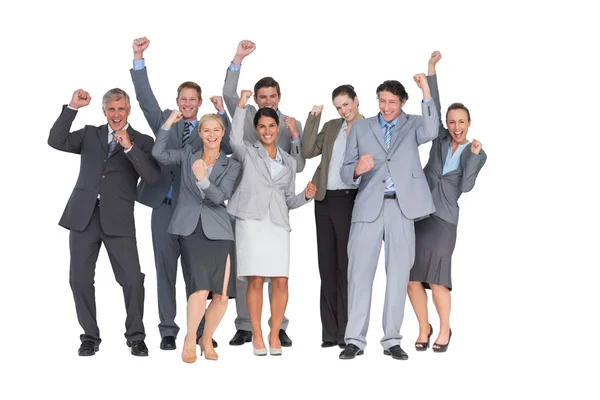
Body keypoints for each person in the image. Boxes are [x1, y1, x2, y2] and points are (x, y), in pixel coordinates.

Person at [130, 36, 231, 350]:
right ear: (177, 101)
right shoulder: (165, 120)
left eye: (192, 100)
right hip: (164, 205)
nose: (187, 104)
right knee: (165, 270)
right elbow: (145, 97)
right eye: (183, 99)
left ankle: (200, 330)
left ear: (199, 103)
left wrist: (222, 113)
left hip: (195, 211)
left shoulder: (209, 129)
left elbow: (229, 146)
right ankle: (168, 331)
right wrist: (138, 59)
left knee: (196, 273)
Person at [48, 88, 160, 357]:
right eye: (111, 109)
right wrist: (72, 107)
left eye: (121, 109)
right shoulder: (89, 134)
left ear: (129, 111)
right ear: (104, 111)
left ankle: (135, 337)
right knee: (80, 279)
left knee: (133, 279)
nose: (116, 114)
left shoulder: (142, 141)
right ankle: (89, 337)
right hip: (83, 216)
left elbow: (152, 176)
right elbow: (55, 140)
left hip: (118, 218)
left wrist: (129, 148)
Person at [338, 74, 438, 361]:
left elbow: (432, 128)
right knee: (358, 276)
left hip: (402, 209)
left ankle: (392, 340)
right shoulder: (361, 128)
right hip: (368, 208)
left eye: (392, 102)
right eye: (382, 101)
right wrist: (357, 168)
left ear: (403, 103)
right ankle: (354, 340)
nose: (385, 107)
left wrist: (426, 90)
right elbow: (346, 172)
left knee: (398, 276)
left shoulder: (414, 125)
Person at [223, 40, 303, 347]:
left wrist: (295, 137)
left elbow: (299, 163)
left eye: (272, 96)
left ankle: (277, 326)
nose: (267, 99)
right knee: (248, 270)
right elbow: (231, 96)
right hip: (248, 203)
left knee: (277, 272)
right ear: (256, 99)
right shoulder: (250, 120)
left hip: (277, 205)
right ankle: (245, 325)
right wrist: (238, 59)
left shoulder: (287, 124)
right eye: (262, 96)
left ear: (279, 97)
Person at [407, 51, 487, 353]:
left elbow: (465, 186)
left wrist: (475, 156)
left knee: (438, 279)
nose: (455, 126)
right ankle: (422, 328)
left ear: (468, 123)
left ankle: (443, 330)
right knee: (411, 277)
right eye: (452, 122)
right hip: (420, 214)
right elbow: (435, 105)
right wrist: (430, 71)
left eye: (461, 122)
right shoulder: (440, 139)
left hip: (444, 221)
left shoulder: (475, 152)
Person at [228, 90, 316, 356]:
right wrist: (241, 106)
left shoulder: (288, 161)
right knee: (254, 279)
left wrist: (305, 196)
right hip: (251, 222)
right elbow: (233, 138)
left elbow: (289, 199)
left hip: (277, 223)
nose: (267, 131)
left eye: (271, 126)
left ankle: (274, 334)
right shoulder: (247, 152)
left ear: (278, 129)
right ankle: (256, 334)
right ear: (256, 130)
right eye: (262, 127)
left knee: (281, 280)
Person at [152, 110, 241, 362]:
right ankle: (190, 339)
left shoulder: (231, 164)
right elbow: (158, 153)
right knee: (200, 289)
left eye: (216, 130)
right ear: (200, 133)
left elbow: (219, 196)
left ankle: (206, 338)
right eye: (206, 130)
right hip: (191, 228)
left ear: (223, 133)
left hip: (220, 231)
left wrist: (203, 179)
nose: (211, 135)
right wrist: (169, 122)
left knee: (222, 297)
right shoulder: (186, 156)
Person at [301, 85, 363, 349]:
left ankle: (346, 333)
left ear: (356, 101)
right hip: (324, 199)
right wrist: (313, 118)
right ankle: (329, 332)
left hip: (350, 199)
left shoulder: (370, 128)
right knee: (326, 265)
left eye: (346, 105)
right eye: (339, 107)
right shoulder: (332, 125)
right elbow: (306, 151)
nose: (343, 110)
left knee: (345, 267)